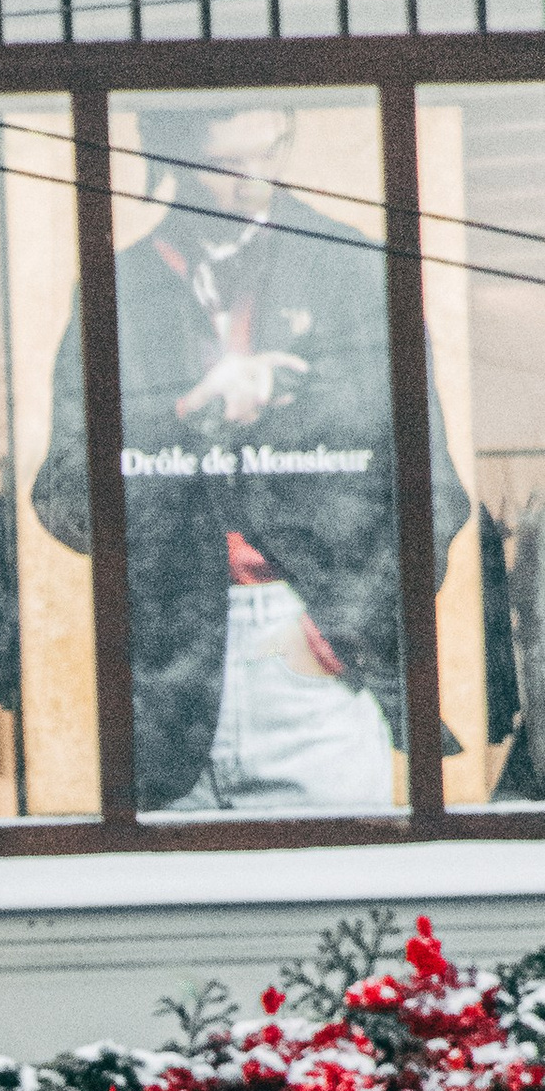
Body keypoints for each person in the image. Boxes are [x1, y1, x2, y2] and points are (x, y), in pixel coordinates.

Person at [31, 99, 467, 816]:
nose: (253, 181)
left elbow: (431, 492)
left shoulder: (354, 273)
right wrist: (181, 422)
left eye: (270, 152)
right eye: (226, 165)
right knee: (183, 919)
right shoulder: (120, 290)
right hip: (171, 689)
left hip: (315, 667)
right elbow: (65, 495)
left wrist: (334, 633)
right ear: (170, 159)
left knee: (345, 917)